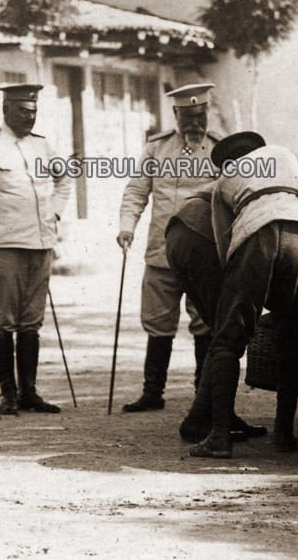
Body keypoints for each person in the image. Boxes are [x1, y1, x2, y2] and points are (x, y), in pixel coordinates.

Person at [188, 131, 298, 459]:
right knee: (292, 336)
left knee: (227, 340)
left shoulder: (224, 181)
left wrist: (244, 293)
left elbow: (224, 245)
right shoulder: (285, 154)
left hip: (255, 232)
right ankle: (284, 435)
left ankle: (219, 438)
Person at [0, 83, 70, 416]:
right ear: (6, 109)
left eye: (33, 111)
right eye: (22, 111)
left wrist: (56, 213)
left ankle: (29, 392)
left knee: (31, 322)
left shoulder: (44, 147)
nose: (29, 117)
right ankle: (8, 394)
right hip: (3, 246)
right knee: (4, 322)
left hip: (40, 244)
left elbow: (65, 180)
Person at [116, 83, 220, 413]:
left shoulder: (221, 149)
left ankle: (202, 394)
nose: (194, 123)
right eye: (187, 117)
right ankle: (152, 392)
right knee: (158, 322)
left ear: (207, 112)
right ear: (175, 115)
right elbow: (136, 192)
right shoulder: (156, 149)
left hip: (204, 253)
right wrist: (126, 226)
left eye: (199, 115)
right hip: (162, 252)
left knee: (205, 322)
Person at [165, 191, 267, 443]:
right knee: (228, 332)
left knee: (220, 330)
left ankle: (210, 415)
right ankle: (201, 419)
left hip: (180, 229)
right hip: (203, 236)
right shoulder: (291, 192)